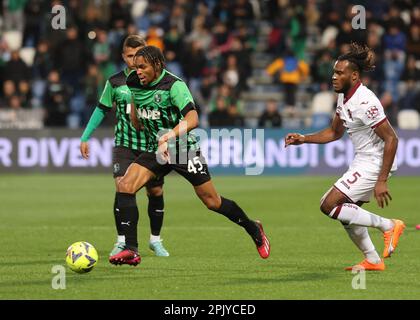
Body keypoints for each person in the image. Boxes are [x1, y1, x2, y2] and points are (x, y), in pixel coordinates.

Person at [109, 45, 270, 266]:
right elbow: (136, 111)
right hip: (157, 150)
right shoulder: (134, 83)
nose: (137, 71)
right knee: (125, 185)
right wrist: (137, 118)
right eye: (135, 67)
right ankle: (131, 249)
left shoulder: (175, 85)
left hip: (182, 148)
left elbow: (193, 119)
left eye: (142, 67)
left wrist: (168, 136)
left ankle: (254, 228)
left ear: (156, 65)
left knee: (212, 202)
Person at [285, 43, 405, 271]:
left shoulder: (365, 101)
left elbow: (392, 139)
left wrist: (381, 180)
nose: (334, 77)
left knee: (328, 204)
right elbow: (334, 132)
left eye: (340, 73)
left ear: (354, 75)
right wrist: (303, 138)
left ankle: (389, 225)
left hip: (376, 161)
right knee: (347, 213)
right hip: (363, 159)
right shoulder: (344, 97)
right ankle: (373, 260)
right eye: (334, 72)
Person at [80, 35, 170, 258]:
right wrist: (85, 136)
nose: (134, 60)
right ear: (123, 57)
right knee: (122, 186)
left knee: (155, 190)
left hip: (149, 144)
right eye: (130, 56)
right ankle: (122, 241)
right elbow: (101, 108)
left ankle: (155, 240)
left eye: (139, 55)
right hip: (125, 144)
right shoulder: (115, 82)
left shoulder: (155, 81)